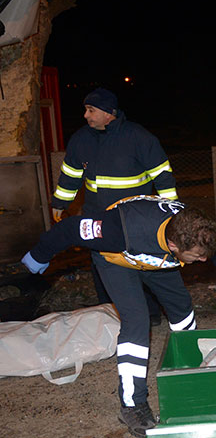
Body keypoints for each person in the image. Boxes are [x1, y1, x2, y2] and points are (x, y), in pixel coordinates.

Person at [22, 196, 216, 438]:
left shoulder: (202, 234)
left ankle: (185, 375)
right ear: (175, 245)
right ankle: (132, 405)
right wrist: (39, 255)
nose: (204, 260)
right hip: (118, 259)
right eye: (197, 257)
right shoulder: (117, 230)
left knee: (182, 309)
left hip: (157, 259)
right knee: (137, 322)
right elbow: (69, 228)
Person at [51, 87, 178, 325]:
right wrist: (60, 203)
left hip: (135, 221)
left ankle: (149, 315)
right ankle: (109, 314)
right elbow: (70, 176)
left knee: (141, 266)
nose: (86, 115)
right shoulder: (81, 140)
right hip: (98, 218)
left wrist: (171, 210)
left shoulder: (139, 138)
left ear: (109, 112)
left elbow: (162, 176)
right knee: (104, 268)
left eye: (91, 110)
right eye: (85, 110)